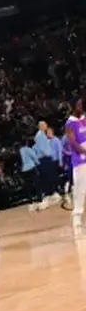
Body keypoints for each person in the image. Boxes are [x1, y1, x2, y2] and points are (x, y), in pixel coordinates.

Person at [65, 99, 86, 232]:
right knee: (80, 189)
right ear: (73, 107)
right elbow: (73, 143)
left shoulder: (84, 118)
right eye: (78, 104)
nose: (81, 106)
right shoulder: (69, 124)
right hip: (80, 161)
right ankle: (77, 216)